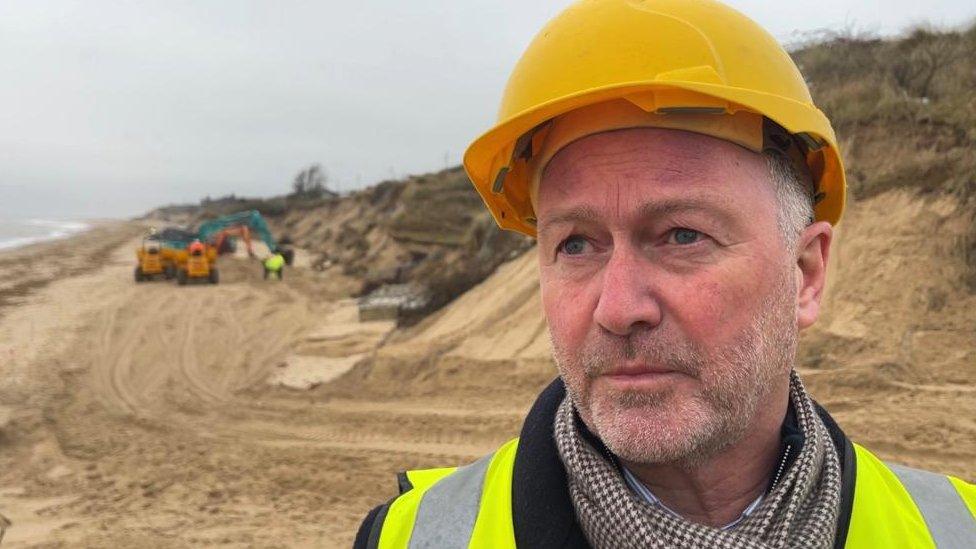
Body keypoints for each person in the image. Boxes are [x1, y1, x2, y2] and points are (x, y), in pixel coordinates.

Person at [355, 1, 976, 547]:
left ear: (805, 274)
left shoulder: (955, 529)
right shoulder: (414, 537)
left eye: (683, 235)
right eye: (576, 244)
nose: (619, 308)